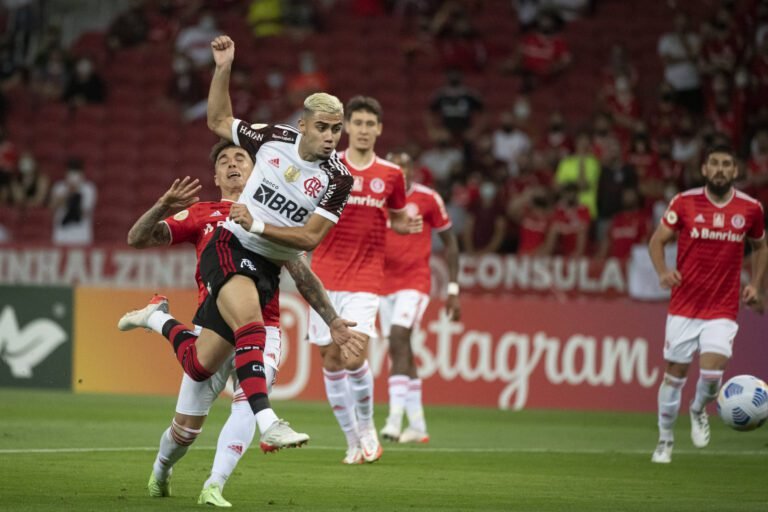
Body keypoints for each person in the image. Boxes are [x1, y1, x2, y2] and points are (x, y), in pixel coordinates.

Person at [131, 34, 361, 456]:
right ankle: (268, 420)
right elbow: (219, 122)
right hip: (231, 244)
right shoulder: (273, 137)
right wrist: (223, 68)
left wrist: (333, 319)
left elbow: (307, 241)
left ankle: (157, 320)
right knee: (252, 324)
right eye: (324, 128)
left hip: (267, 263)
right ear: (304, 125)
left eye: (337, 129)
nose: (332, 137)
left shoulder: (339, 179)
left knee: (200, 364)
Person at [119, 140, 363, 507]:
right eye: (224, 160)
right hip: (215, 323)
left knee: (248, 399)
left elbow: (302, 274)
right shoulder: (202, 213)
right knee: (184, 432)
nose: (233, 164)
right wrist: (161, 207)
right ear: (215, 175)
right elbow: (137, 239)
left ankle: (214, 484)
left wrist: (333, 321)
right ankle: (161, 469)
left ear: (257, 169)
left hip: (266, 323)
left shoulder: (274, 216)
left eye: (241, 158)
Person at [308, 95, 422, 465]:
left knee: (353, 354)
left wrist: (409, 226)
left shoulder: (391, 175)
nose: (363, 130)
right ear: (346, 129)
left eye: (370, 124)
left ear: (379, 130)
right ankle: (352, 440)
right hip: (323, 275)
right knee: (330, 358)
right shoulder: (327, 165)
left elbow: (399, 218)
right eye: (356, 123)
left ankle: (369, 428)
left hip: (365, 278)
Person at [648, 144, 767, 464]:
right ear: (704, 170)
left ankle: (698, 409)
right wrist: (663, 271)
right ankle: (665, 439)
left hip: (722, 308)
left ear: (734, 171)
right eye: (713, 163)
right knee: (674, 374)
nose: (719, 169)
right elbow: (656, 240)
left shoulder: (751, 209)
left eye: (725, 164)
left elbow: (761, 246)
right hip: (684, 306)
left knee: (713, 375)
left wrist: (756, 285)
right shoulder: (684, 202)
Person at [377, 151, 460, 444]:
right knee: (400, 349)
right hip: (382, 285)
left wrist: (453, 289)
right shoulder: (377, 198)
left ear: (413, 171)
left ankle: (393, 420)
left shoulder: (427, 199)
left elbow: (451, 243)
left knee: (399, 337)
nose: (401, 173)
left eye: (406, 167)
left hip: (415, 282)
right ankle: (418, 426)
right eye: (395, 169)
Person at [49, 158, 97, 246]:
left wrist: (76, 192)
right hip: (61, 235)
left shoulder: (88, 189)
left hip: (81, 236)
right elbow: (52, 207)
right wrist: (68, 192)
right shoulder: (59, 188)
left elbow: (85, 212)